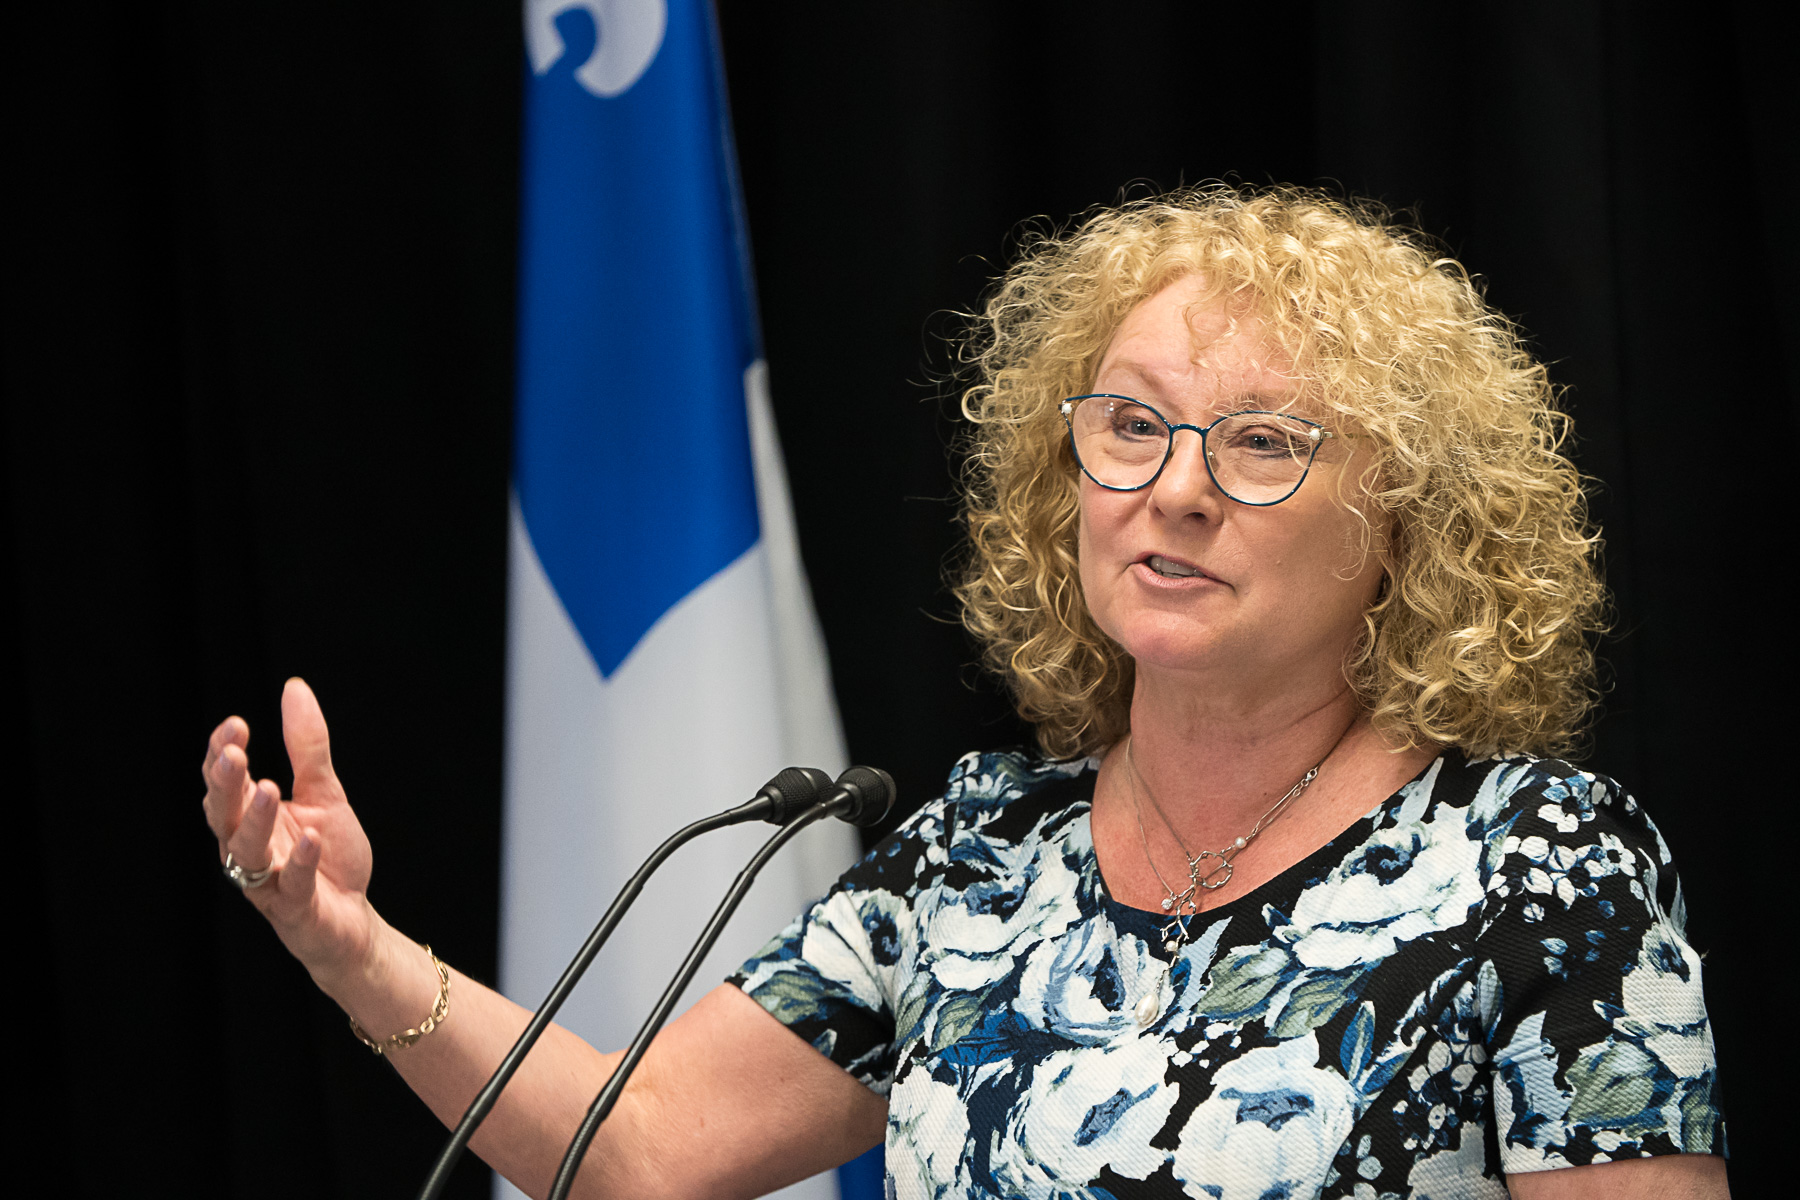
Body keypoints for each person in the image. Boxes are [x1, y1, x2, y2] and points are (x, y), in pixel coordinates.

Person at [201, 186, 1727, 1199]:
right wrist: (354, 951)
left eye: (1263, 443)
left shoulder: (1540, 867)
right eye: (1131, 426)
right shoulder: (988, 858)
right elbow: (640, 1145)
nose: (1175, 490)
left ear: (1408, 523)